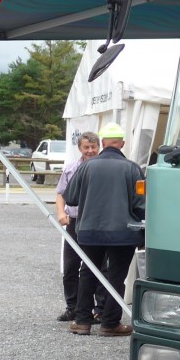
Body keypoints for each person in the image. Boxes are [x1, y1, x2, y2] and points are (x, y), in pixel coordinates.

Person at [63, 123, 145, 337]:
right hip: (123, 233)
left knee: (88, 272)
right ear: (122, 144)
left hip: (90, 231)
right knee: (116, 276)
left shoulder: (86, 167)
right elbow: (141, 204)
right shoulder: (133, 168)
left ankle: (82, 322)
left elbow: (70, 198)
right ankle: (110, 323)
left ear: (103, 144)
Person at [54, 131, 101, 322]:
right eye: (86, 147)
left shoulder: (104, 168)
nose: (90, 151)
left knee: (98, 267)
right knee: (71, 266)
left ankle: (100, 310)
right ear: (80, 148)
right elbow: (61, 194)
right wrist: (60, 213)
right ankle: (72, 307)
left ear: (99, 147)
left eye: (93, 147)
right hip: (74, 223)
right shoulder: (71, 168)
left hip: (96, 223)